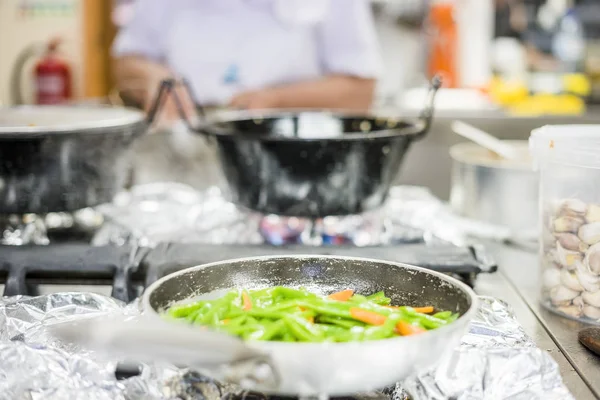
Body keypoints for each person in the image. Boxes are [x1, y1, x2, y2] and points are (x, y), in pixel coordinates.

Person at [112, 0, 383, 121]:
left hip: (290, 161)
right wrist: (154, 78)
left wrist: (276, 100)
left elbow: (360, 91)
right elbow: (126, 62)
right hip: (183, 164)